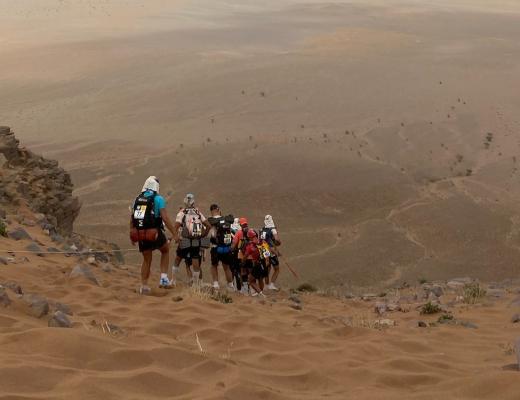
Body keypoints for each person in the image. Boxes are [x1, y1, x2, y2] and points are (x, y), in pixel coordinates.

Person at [130, 176, 177, 294]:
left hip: (140, 234)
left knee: (146, 260)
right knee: (165, 250)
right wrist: (174, 233)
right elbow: (165, 217)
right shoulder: (158, 198)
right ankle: (164, 279)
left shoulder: (136, 199)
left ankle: (144, 286)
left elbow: (132, 218)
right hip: (154, 232)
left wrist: (132, 234)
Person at [173, 193, 211, 286]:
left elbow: (176, 226)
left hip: (185, 240)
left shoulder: (182, 213)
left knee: (178, 259)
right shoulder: (198, 212)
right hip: (196, 240)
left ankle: (173, 280)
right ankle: (196, 284)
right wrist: (203, 235)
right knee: (195, 261)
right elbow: (208, 226)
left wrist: (176, 237)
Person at [208, 204, 235, 290]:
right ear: (219, 210)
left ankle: (216, 284)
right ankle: (231, 285)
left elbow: (211, 233)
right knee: (226, 267)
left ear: (211, 211)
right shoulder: (226, 220)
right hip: (226, 247)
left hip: (215, 247)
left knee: (214, 265)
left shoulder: (211, 220)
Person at [243, 229, 267, 297]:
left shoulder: (250, 245)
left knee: (250, 280)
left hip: (257, 264)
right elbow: (266, 254)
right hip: (264, 263)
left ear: (249, 237)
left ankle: (261, 294)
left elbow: (245, 256)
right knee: (260, 278)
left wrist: (242, 263)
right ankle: (261, 291)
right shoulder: (262, 241)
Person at [261, 214, 282, 291]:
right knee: (277, 269)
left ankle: (266, 285)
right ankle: (271, 285)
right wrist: (278, 243)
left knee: (267, 268)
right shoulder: (272, 229)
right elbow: (277, 240)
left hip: (264, 251)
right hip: (271, 251)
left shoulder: (262, 229)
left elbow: (262, 241)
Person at [231, 217, 251, 294]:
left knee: (242, 271)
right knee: (250, 272)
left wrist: (231, 250)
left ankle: (245, 289)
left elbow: (233, 245)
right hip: (250, 255)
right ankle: (251, 289)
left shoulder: (239, 233)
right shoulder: (251, 231)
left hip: (241, 255)